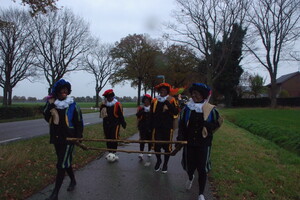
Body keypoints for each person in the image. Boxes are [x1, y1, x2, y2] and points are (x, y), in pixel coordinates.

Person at [177, 83, 222, 200]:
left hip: (204, 143)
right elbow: (181, 124)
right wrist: (180, 137)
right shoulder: (187, 108)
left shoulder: (210, 109)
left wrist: (209, 126)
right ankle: (190, 177)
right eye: (193, 93)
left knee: (202, 168)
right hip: (189, 143)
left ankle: (201, 193)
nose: (194, 95)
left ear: (203, 95)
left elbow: (218, 123)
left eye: (196, 93)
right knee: (190, 166)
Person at [43, 79, 84, 200]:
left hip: (69, 138)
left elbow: (79, 122)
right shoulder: (52, 104)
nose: (64, 91)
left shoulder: (73, 105)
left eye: (66, 90)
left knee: (61, 164)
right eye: (62, 90)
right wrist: (50, 103)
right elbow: (46, 116)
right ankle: (73, 180)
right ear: (57, 92)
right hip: (56, 138)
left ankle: (55, 194)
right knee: (65, 162)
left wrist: (79, 136)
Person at [150, 83, 179, 173]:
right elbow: (151, 114)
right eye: (161, 90)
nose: (162, 91)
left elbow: (176, 112)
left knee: (167, 147)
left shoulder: (171, 100)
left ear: (167, 91)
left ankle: (165, 164)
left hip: (167, 127)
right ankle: (159, 160)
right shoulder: (155, 100)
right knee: (156, 146)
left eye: (164, 90)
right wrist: (150, 126)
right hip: (157, 127)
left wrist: (167, 103)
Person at [99, 89, 126, 161]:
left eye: (110, 97)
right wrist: (103, 106)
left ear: (113, 96)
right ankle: (110, 152)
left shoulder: (117, 104)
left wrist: (123, 123)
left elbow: (120, 115)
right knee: (108, 138)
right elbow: (102, 114)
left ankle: (114, 153)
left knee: (114, 137)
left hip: (115, 124)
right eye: (107, 97)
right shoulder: (103, 104)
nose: (109, 98)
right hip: (106, 124)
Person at [136, 94, 153, 160]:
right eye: (145, 100)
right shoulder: (141, 108)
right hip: (142, 126)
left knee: (150, 139)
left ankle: (149, 151)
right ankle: (141, 152)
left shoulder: (152, 108)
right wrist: (143, 111)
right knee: (142, 139)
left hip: (150, 126)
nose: (146, 102)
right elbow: (137, 115)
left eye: (148, 100)